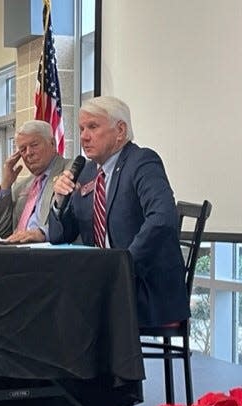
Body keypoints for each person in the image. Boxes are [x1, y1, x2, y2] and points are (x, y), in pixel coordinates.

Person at [49, 96, 190, 327]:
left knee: (66, 311)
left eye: (93, 127)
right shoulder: (86, 172)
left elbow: (163, 219)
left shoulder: (142, 162)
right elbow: (58, 236)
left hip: (144, 287)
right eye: (82, 128)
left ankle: (103, 364)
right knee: (49, 300)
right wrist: (59, 201)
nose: (84, 136)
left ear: (120, 130)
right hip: (104, 282)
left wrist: (123, 265)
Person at [0, 120, 68, 243]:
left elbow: (77, 220)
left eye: (34, 145)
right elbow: (2, 233)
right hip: (17, 254)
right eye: (22, 149)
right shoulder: (20, 187)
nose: (28, 153)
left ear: (53, 143)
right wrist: (6, 186)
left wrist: (44, 233)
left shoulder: (71, 172)